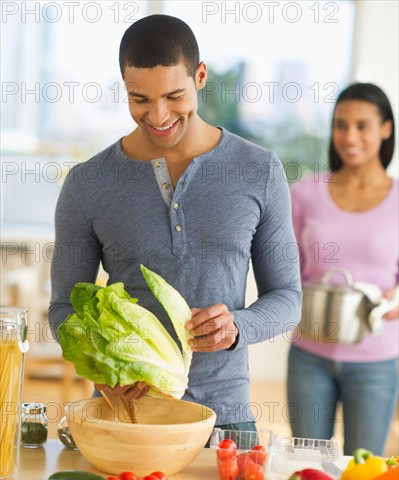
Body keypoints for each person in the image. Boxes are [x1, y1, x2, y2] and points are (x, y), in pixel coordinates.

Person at [49, 14, 301, 433]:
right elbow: (62, 309)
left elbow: (288, 298)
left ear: (200, 76)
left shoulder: (259, 170)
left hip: (225, 421)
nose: (159, 115)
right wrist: (99, 361)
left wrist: (239, 326)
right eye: (140, 99)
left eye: (174, 95)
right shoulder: (86, 183)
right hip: (124, 417)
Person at [287, 82, 398, 455]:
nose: (349, 136)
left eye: (362, 125)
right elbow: (287, 272)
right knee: (308, 464)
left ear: (385, 128)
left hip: (376, 360)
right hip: (309, 355)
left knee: (362, 471)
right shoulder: (305, 193)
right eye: (341, 125)